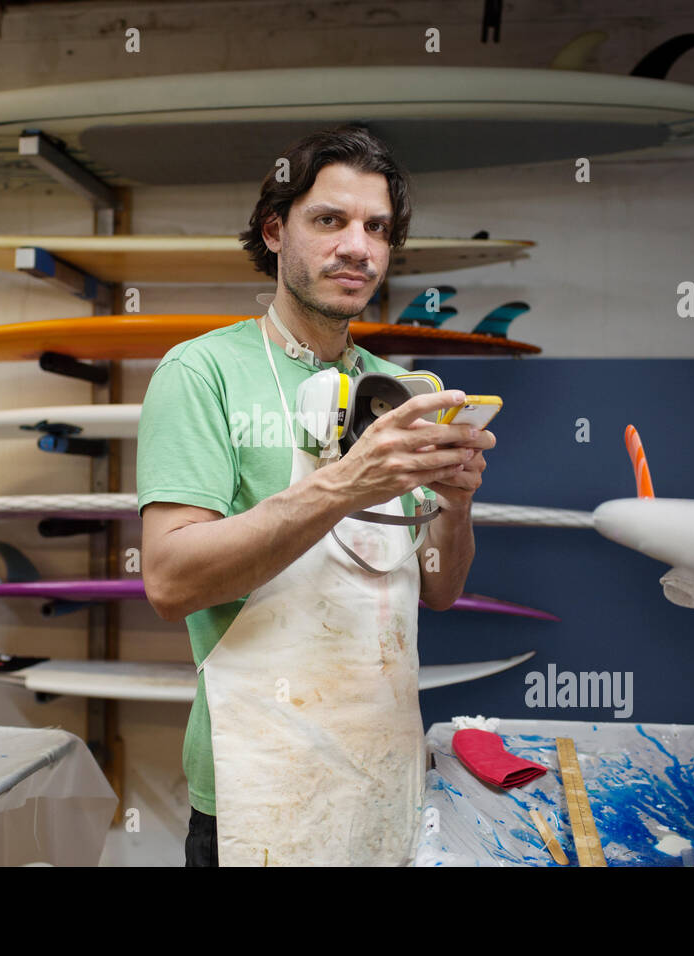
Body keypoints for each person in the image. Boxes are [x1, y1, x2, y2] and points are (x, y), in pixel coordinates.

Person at [137, 124, 494, 866]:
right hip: (258, 780)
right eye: (329, 220)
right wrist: (346, 482)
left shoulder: (401, 392)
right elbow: (170, 582)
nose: (357, 246)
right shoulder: (202, 372)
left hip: (380, 769)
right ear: (275, 230)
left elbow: (440, 591)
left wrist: (454, 509)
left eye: (377, 228)